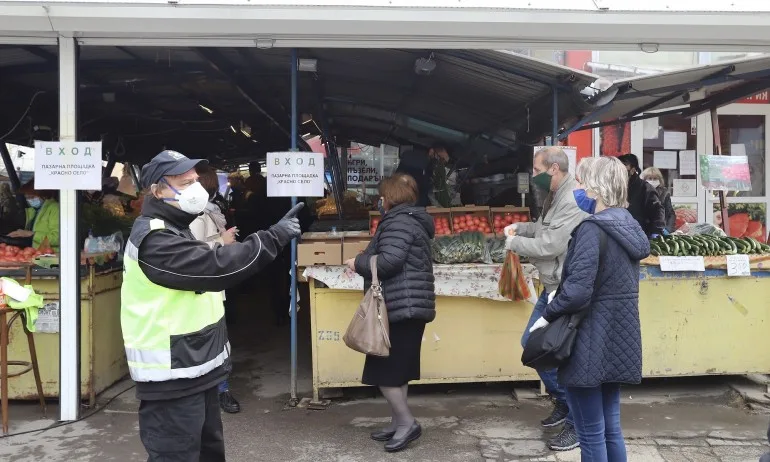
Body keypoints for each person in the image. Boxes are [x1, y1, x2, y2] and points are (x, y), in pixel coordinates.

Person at [121, 150, 302, 462]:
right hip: (171, 376)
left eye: (195, 181)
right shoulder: (155, 240)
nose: (195, 189)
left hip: (197, 367)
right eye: (184, 182)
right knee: (177, 455)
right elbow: (217, 267)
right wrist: (271, 238)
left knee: (208, 453)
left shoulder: (176, 228)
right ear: (158, 190)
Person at [531, 156, 649, 462]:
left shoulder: (591, 230)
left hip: (589, 343)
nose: (578, 188)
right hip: (620, 340)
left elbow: (576, 293)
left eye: (582, 182)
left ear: (596, 188)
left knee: (591, 434)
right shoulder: (629, 226)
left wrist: (547, 313)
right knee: (611, 430)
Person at [343, 173, 436, 453]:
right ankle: (397, 421)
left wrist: (357, 262)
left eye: (382, 196)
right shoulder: (410, 220)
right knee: (397, 371)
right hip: (407, 306)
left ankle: (407, 423)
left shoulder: (399, 221)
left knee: (384, 372)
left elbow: (390, 262)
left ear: (390, 197)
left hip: (400, 307)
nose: (379, 201)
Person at [504, 146, 588, 451]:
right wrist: (522, 227)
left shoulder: (570, 199)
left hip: (562, 287)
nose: (534, 176)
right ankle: (565, 403)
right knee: (534, 345)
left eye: (537, 171)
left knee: (555, 353)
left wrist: (515, 242)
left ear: (554, 168)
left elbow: (551, 244)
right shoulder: (554, 195)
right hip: (550, 285)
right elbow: (543, 229)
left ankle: (576, 421)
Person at [189, 166, 241, 415]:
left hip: (209, 285)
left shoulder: (207, 212)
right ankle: (220, 390)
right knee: (214, 339)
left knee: (217, 339)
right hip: (202, 286)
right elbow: (196, 252)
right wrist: (223, 241)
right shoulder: (197, 215)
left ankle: (219, 389)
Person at [617, 154, 666, 236]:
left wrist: (656, 231)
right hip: (617, 233)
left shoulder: (645, 188)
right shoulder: (613, 187)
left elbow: (657, 211)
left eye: (624, 165)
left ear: (632, 170)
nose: (619, 169)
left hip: (640, 235)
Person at [6, 181, 59, 252]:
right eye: (27, 198)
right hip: (38, 255)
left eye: (32, 197)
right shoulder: (35, 211)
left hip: (52, 257)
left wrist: (31, 234)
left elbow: (58, 238)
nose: (30, 200)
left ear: (43, 195)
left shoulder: (55, 209)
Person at [640, 167, 676, 232]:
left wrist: (668, 229)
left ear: (659, 179)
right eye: (650, 178)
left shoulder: (664, 193)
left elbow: (670, 214)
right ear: (644, 179)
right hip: (643, 229)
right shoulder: (640, 192)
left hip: (661, 229)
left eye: (655, 178)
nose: (652, 181)